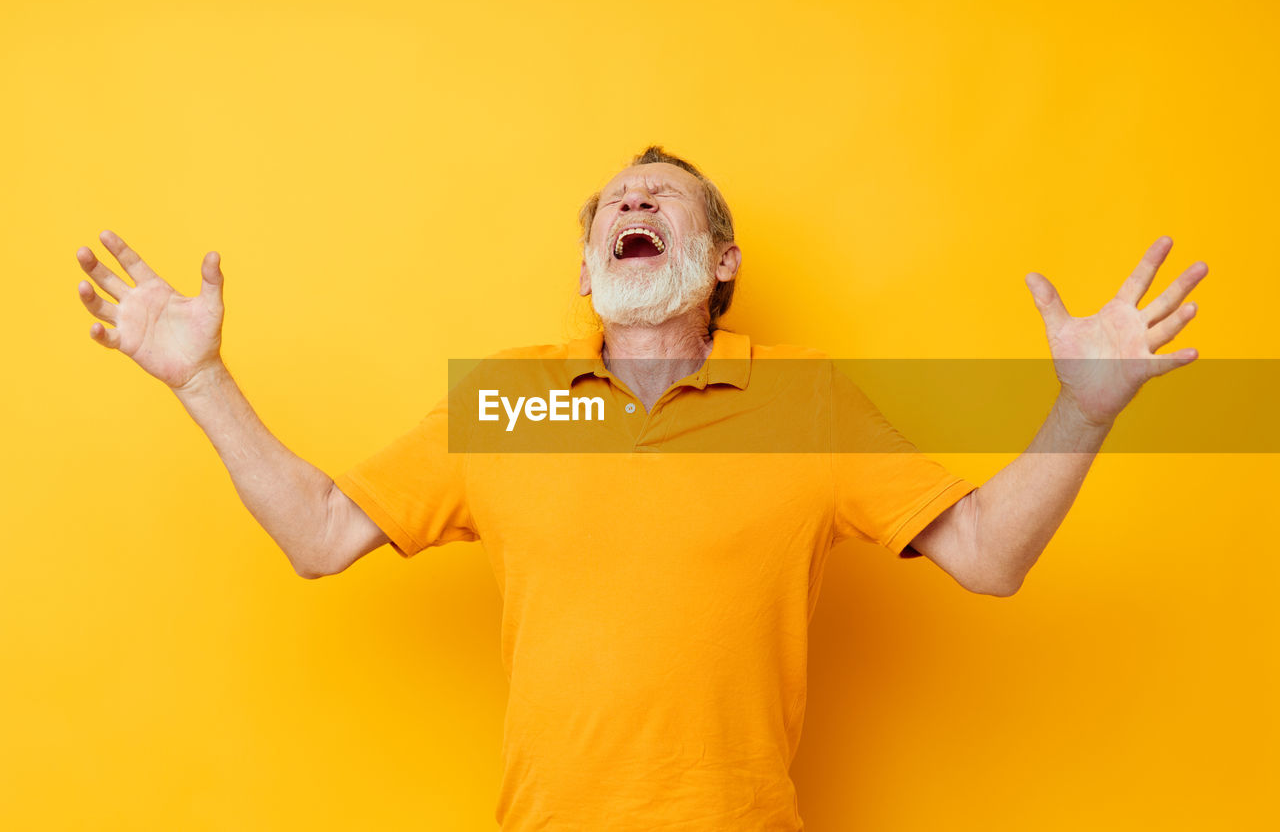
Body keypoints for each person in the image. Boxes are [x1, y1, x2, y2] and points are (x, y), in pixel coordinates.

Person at [74, 145, 1207, 830]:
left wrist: (1086, 405)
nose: (632, 208)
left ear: (719, 261)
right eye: (613, 203)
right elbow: (319, 532)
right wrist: (202, 376)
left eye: (663, 200)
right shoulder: (512, 401)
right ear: (584, 268)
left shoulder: (806, 402)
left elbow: (988, 556)